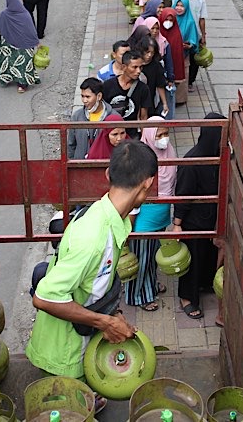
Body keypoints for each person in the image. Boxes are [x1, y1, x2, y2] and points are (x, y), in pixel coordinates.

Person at [26, 140, 157, 406]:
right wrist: (105, 323)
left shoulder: (113, 219)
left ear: (108, 174)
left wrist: (112, 315)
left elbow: (94, 283)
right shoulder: (94, 235)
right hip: (63, 354)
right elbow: (44, 298)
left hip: (81, 342)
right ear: (148, 183)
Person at [173, 112, 225, 320]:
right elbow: (183, 195)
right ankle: (187, 298)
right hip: (193, 222)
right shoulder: (192, 161)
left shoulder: (218, 158)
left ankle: (204, 284)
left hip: (210, 218)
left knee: (207, 254)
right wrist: (177, 224)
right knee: (192, 260)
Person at [126, 117, 175, 311]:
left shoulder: (168, 152)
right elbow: (135, 192)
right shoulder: (141, 159)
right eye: (159, 134)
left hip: (161, 217)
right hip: (144, 219)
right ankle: (137, 295)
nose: (164, 139)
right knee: (141, 258)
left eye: (166, 133)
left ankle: (150, 286)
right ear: (148, 135)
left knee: (152, 256)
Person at [0, 0, 41, 93]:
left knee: (8, 60)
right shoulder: (25, 14)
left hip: (10, 46)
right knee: (23, 63)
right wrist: (37, 42)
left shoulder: (4, 15)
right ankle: (22, 85)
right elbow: (31, 30)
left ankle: (7, 78)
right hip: (25, 45)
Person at [102, 51, 150, 128]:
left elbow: (143, 117)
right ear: (124, 67)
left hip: (131, 134)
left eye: (140, 67)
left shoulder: (143, 89)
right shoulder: (108, 85)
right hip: (111, 131)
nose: (138, 71)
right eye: (134, 67)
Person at [70, 79, 113, 160]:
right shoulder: (77, 116)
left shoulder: (113, 117)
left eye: (88, 97)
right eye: (82, 96)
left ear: (99, 96)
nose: (84, 100)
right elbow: (71, 144)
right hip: (80, 166)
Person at [129, 28, 168, 118]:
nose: (149, 55)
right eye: (147, 52)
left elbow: (160, 85)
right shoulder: (133, 62)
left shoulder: (156, 66)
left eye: (152, 53)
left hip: (149, 101)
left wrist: (165, 103)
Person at [158, 6, 186, 107]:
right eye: (166, 19)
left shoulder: (176, 33)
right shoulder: (157, 30)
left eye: (171, 20)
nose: (168, 22)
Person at [182, 0, 207, 89]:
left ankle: (190, 81)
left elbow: (202, 19)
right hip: (183, 34)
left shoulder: (201, 0)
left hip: (195, 34)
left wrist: (203, 35)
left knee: (194, 59)